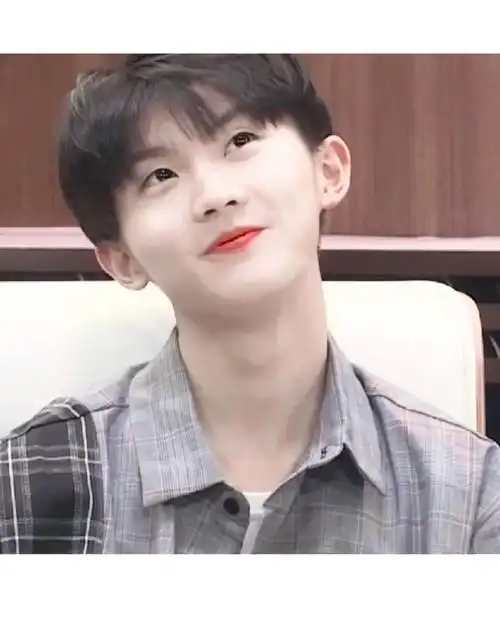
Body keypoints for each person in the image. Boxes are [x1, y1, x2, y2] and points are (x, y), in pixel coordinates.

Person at [1, 54, 499, 554]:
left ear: (328, 170)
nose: (215, 196)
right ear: (122, 260)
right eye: (161, 175)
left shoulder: (470, 493)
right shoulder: (33, 478)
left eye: (240, 141)